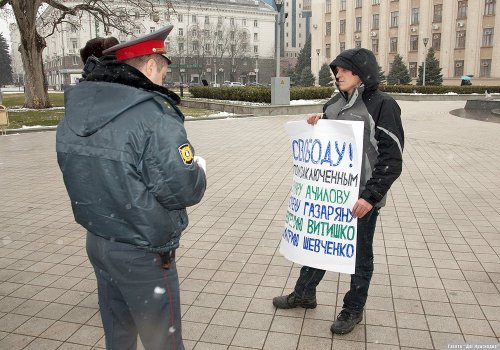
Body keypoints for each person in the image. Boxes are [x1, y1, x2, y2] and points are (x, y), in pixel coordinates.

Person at [56, 25, 207, 350]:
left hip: (99, 241)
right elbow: (184, 189)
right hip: (143, 252)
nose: (163, 80)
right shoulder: (154, 117)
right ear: (151, 67)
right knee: (162, 343)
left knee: (118, 335)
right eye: (163, 72)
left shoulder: (76, 109)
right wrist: (197, 170)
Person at [273, 48, 404, 335]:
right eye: (336, 70)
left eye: (344, 69)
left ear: (362, 72)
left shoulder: (383, 105)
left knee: (360, 257)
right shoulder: (333, 104)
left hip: (361, 200)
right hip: (331, 197)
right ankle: (304, 293)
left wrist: (370, 197)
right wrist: (315, 125)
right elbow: (329, 146)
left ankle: (353, 309)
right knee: (317, 244)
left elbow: (392, 160)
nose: (337, 74)